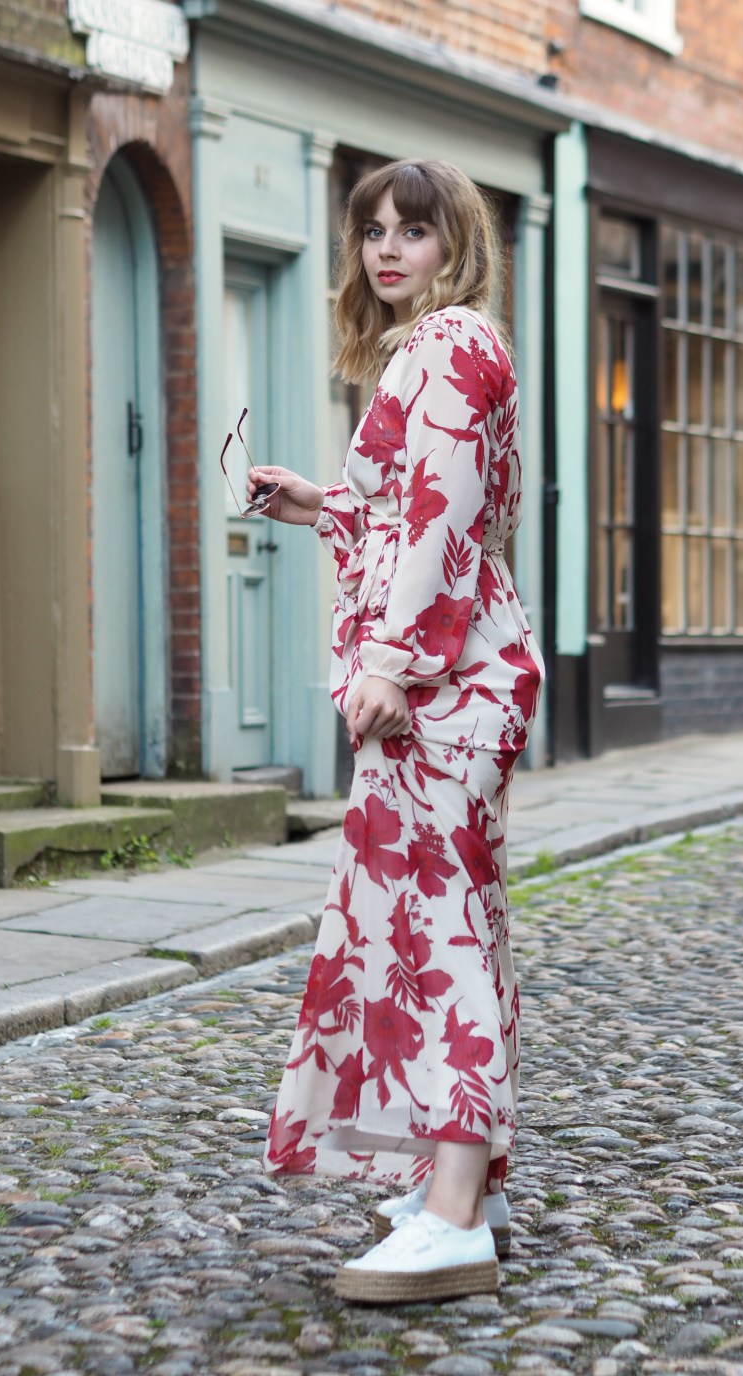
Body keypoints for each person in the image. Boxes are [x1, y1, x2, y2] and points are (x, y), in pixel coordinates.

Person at [250, 158, 543, 1304]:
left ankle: (457, 1215)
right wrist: (316, 502)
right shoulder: (429, 351)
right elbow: (399, 503)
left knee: (444, 931)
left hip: (448, 682)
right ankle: (463, 1182)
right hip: (455, 672)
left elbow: (444, 517)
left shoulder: (453, 344)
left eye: (412, 231)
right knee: (446, 921)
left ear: (453, 243)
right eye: (372, 230)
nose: (386, 249)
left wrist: (391, 662)